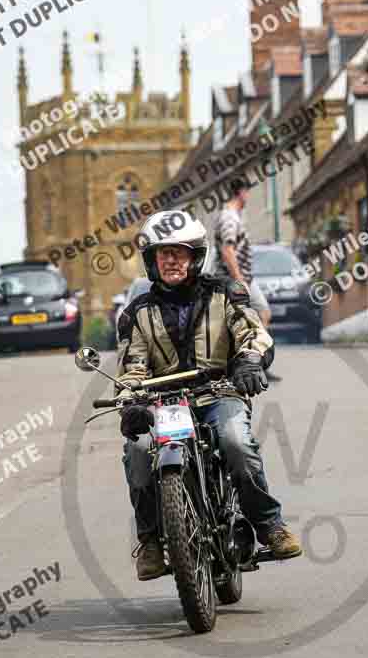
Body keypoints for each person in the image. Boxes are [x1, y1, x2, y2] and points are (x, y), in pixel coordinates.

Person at [115, 207, 302, 580]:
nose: (171, 259)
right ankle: (151, 541)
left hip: (219, 391)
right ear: (151, 260)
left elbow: (254, 334)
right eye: (162, 253)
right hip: (164, 403)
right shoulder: (137, 312)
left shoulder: (225, 293)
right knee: (137, 451)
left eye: (179, 251)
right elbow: (132, 367)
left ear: (196, 256)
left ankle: (268, 525)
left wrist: (250, 362)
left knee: (235, 441)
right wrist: (132, 401)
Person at [213, 184, 282, 382]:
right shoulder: (229, 216)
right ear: (241, 192)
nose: (249, 196)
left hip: (243, 277)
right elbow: (227, 249)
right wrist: (239, 278)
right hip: (235, 278)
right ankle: (251, 361)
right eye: (248, 191)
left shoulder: (234, 215)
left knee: (260, 314)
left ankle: (255, 360)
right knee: (258, 314)